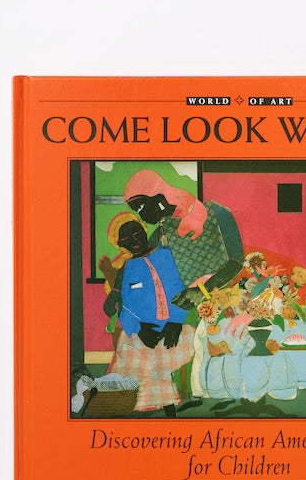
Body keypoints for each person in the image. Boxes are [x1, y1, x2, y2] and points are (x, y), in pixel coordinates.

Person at [104, 212, 195, 415]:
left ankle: (167, 410)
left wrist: (175, 321)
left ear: (144, 231)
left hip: (174, 327)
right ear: (120, 244)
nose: (134, 240)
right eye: (126, 238)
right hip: (144, 331)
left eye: (137, 233)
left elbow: (181, 289)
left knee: (157, 359)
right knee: (136, 357)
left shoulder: (166, 255)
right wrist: (139, 328)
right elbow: (124, 306)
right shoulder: (128, 268)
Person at [123, 169, 245, 307]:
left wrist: (202, 291)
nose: (142, 215)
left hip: (228, 300)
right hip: (185, 310)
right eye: (137, 210)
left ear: (158, 196)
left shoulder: (216, 212)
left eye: (141, 206)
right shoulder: (161, 233)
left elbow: (236, 262)